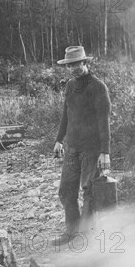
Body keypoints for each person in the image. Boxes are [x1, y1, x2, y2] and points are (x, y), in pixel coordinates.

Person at [54, 46, 111, 244]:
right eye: (70, 65)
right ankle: (71, 231)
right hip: (72, 148)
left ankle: (84, 236)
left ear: (85, 63)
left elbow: (104, 122)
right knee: (66, 190)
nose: (73, 68)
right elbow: (65, 115)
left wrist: (105, 152)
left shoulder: (98, 87)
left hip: (91, 149)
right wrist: (59, 140)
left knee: (89, 191)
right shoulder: (70, 85)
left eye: (77, 63)